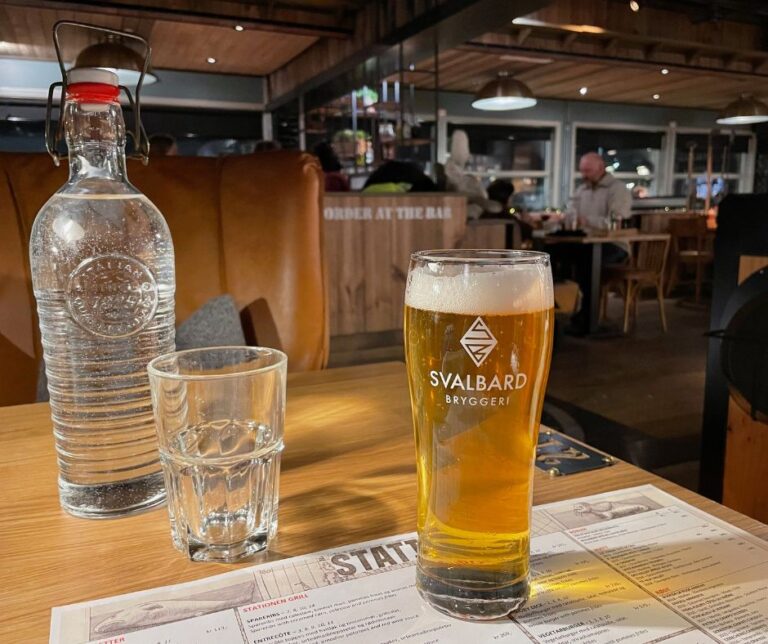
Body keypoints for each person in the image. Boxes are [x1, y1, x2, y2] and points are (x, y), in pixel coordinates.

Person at [567, 151, 632, 265]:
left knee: (585, 258)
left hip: (614, 244)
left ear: (601, 168)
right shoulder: (581, 190)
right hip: (585, 242)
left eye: (588, 171)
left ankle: (587, 283)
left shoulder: (618, 189)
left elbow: (616, 223)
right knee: (557, 252)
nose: (584, 175)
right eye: (582, 171)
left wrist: (586, 221)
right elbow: (571, 212)